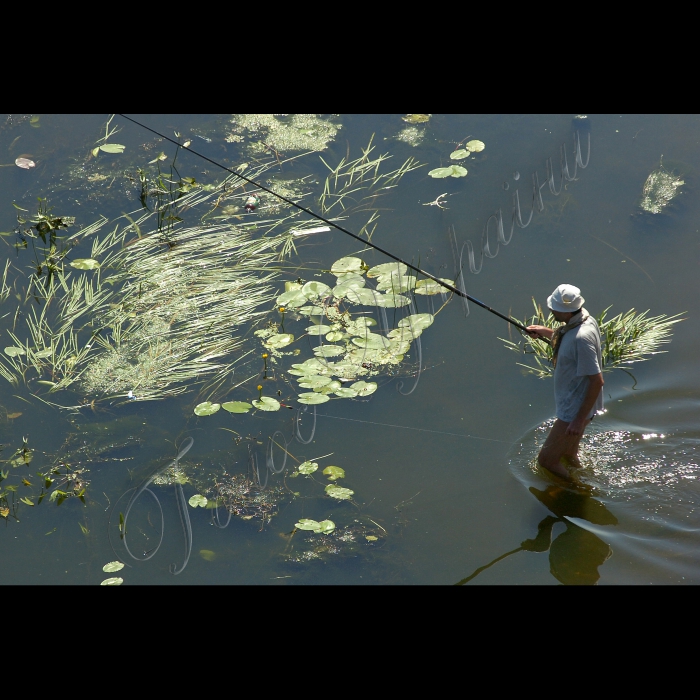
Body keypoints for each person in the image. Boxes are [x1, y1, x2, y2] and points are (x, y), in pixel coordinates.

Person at [526, 284, 604, 481]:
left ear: (565, 311)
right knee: (569, 455)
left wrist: (578, 420)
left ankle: (579, 491)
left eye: (554, 308)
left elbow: (597, 381)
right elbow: (569, 342)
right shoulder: (585, 319)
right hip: (579, 407)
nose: (551, 309)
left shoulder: (581, 339)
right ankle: (580, 477)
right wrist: (545, 332)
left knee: (546, 461)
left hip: (575, 410)